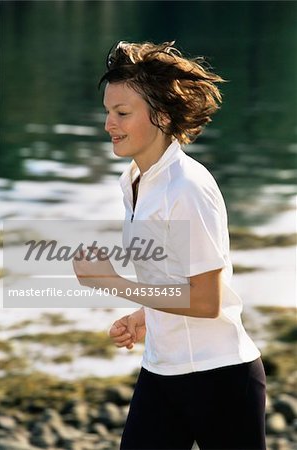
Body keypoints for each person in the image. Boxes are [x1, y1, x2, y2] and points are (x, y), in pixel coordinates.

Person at [73, 41, 266, 450]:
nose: (109, 124)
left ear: (161, 116)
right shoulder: (134, 182)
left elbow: (206, 300)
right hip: (160, 373)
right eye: (108, 112)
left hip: (221, 378)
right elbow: (174, 277)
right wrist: (145, 314)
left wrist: (114, 283)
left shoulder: (188, 187)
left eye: (122, 113)